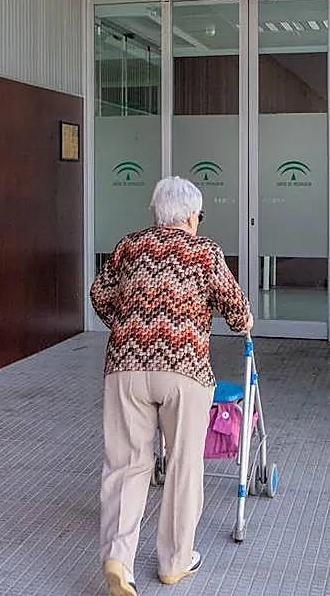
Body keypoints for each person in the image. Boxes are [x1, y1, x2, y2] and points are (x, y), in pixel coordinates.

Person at [90, 176, 253, 596]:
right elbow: (237, 310)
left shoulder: (129, 246)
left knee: (126, 463)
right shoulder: (205, 252)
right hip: (184, 371)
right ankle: (175, 562)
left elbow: (99, 294)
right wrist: (244, 322)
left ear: (157, 213)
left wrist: (129, 329)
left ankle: (118, 559)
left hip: (126, 367)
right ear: (192, 216)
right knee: (183, 463)